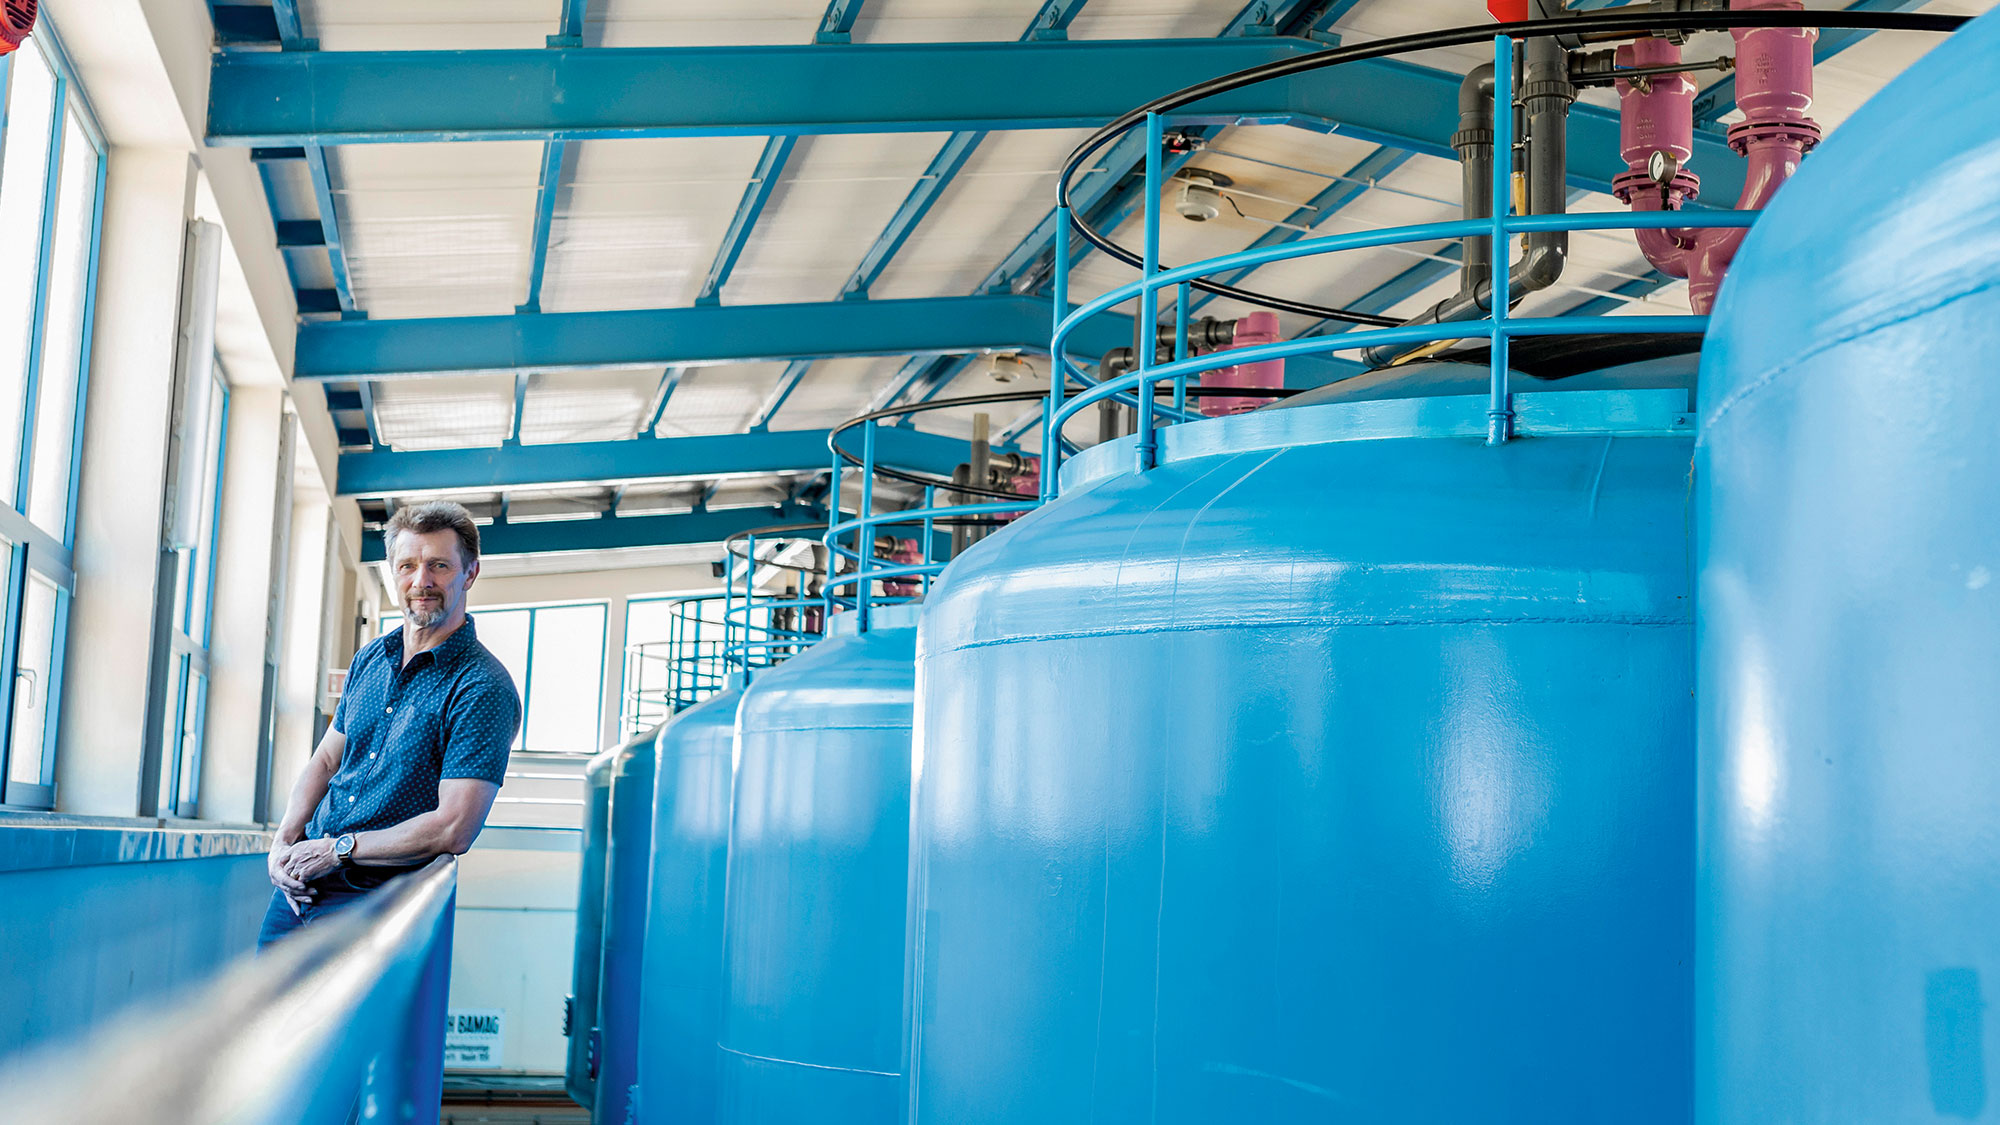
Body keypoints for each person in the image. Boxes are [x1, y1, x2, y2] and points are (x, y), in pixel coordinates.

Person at [259, 500, 521, 948]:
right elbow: (326, 761)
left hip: (377, 900)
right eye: (408, 566)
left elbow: (454, 827)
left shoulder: (482, 687)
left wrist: (339, 849)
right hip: (300, 886)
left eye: (439, 565)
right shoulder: (370, 659)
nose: (421, 581)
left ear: (470, 573)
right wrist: (283, 840)